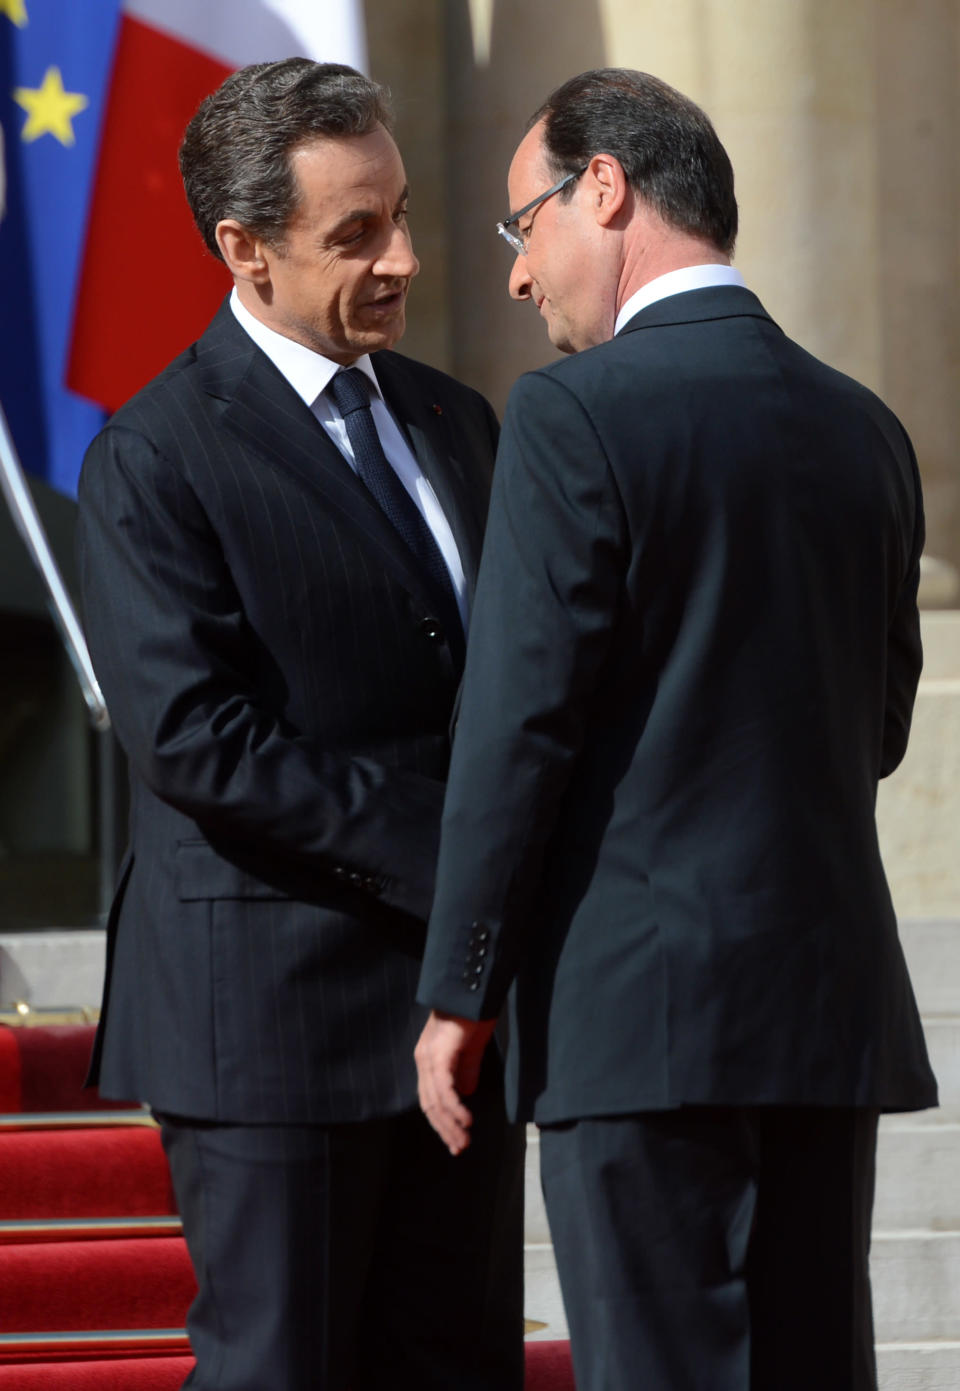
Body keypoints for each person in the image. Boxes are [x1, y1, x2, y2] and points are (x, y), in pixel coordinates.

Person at [415, 67, 937, 1391]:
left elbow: (518, 729)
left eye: (522, 224)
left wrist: (457, 992)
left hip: (636, 1018)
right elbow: (875, 728)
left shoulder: (572, 416)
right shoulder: (866, 429)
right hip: (823, 1017)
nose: (521, 277)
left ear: (606, 187)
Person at [77, 58, 524, 1391]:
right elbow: (198, 738)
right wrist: (466, 860)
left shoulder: (459, 423)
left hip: (461, 1024)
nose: (402, 257)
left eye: (401, 215)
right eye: (355, 234)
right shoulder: (155, 456)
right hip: (266, 1027)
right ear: (245, 248)